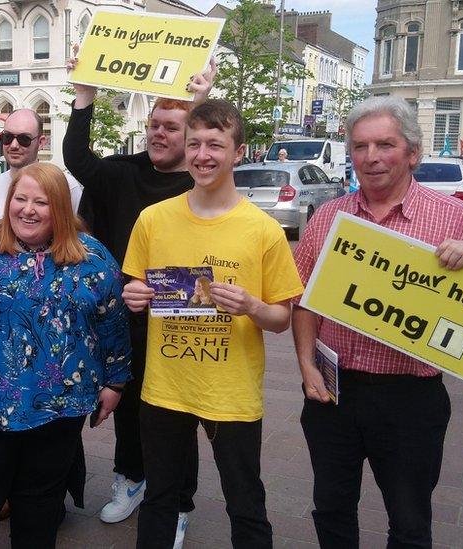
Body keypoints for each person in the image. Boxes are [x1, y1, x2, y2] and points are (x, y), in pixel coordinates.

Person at [291, 97, 463, 548]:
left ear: (412, 153)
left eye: (384, 144)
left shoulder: (453, 217)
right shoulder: (327, 219)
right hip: (333, 390)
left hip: (411, 397)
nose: (371, 157)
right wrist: (306, 366)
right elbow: (303, 301)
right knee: (332, 509)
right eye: (360, 146)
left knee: (410, 520)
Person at [122, 99, 303, 549]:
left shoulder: (263, 230)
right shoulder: (153, 219)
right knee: (160, 499)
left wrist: (251, 307)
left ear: (238, 152)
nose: (202, 155)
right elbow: (135, 289)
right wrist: (134, 296)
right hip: (165, 387)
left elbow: (282, 319)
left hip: (231, 391)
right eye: (195, 144)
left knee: (245, 502)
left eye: (215, 145)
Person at [0, 162, 131, 547]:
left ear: (62, 210)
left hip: (57, 413)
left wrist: (115, 381)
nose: (28, 209)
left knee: (39, 514)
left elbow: (112, 325)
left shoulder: (93, 259)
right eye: (20, 198)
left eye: (41, 202)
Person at [64, 49, 215, 537]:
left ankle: (178, 503)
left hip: (179, 316)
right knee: (125, 402)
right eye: (155, 123)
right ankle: (130, 479)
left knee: (176, 413)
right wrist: (84, 96)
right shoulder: (121, 171)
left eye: (172, 126)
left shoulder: (201, 182)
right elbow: (77, 159)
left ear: (190, 136)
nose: (159, 132)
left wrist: (202, 99)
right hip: (123, 314)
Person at [0, 108, 83, 227]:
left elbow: (78, 236)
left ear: (41, 142)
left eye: (24, 139)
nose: (14, 145)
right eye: (7, 137)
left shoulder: (67, 185)